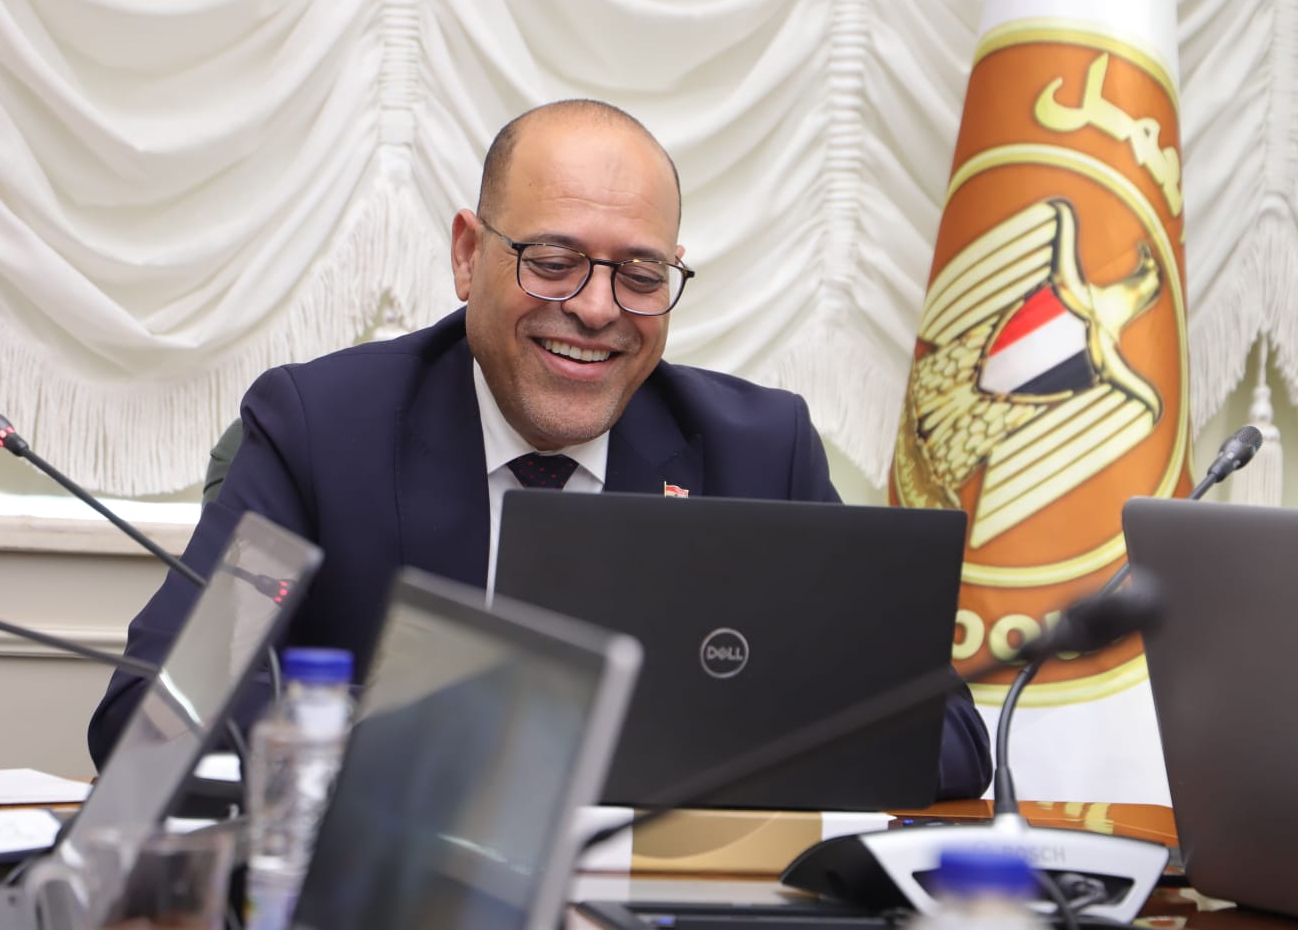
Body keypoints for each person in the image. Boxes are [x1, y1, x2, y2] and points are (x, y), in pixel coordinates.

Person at [88, 99, 992, 798]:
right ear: (466, 254)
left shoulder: (757, 454)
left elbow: (945, 736)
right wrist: (468, 744)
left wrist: (663, 737)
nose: (596, 308)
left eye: (640, 274)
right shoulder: (323, 432)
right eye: (553, 263)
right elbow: (156, 714)